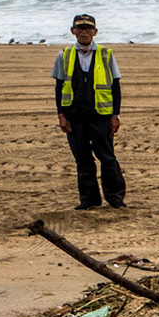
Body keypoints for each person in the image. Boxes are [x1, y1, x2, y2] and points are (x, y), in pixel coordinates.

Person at [52, 14, 127, 210]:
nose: (84, 32)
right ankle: (89, 200)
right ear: (73, 31)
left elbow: (115, 87)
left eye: (88, 28)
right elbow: (59, 88)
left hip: (100, 117)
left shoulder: (106, 55)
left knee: (107, 158)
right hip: (74, 117)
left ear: (95, 32)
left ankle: (116, 200)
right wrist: (61, 115)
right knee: (83, 160)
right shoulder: (64, 56)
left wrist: (115, 115)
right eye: (80, 28)